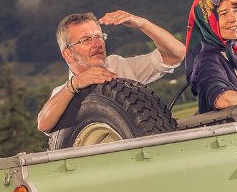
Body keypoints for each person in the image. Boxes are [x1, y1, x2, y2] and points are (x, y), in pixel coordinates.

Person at [36, 10, 187, 132]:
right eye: (86, 39)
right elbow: (43, 124)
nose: (97, 44)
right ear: (68, 54)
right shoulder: (63, 92)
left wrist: (143, 24)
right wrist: (76, 83)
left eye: (99, 36)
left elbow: (177, 54)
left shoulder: (119, 66)